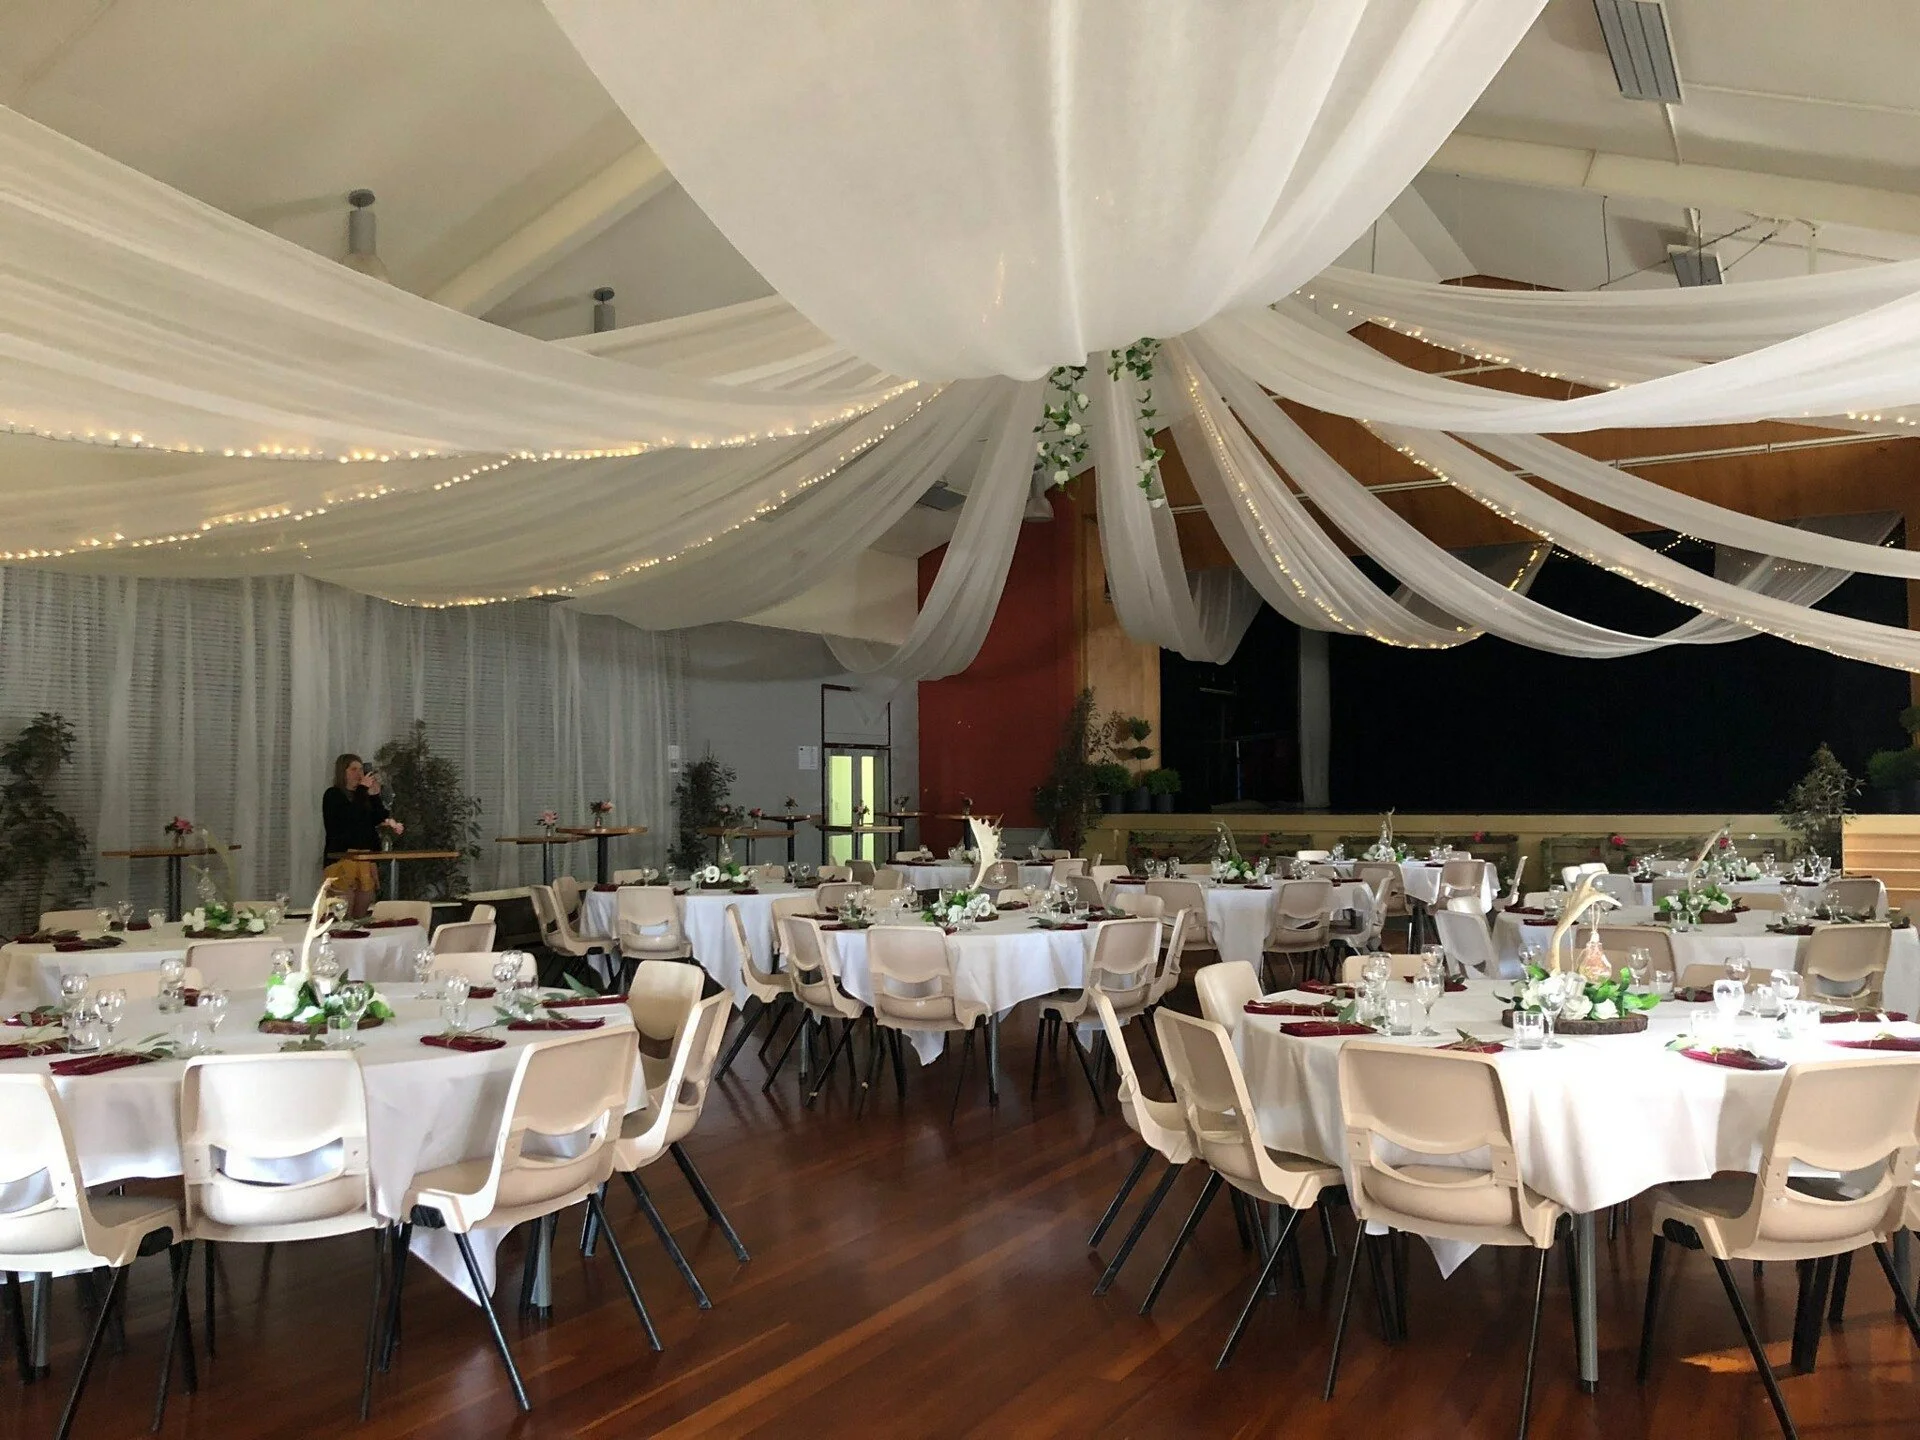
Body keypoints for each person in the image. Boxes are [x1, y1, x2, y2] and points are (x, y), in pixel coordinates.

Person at [323, 753, 387, 917]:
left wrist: (374, 796)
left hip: (365, 858)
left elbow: (379, 818)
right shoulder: (333, 794)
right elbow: (349, 818)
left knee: (361, 913)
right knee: (343, 912)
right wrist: (362, 791)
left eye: (360, 769)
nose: (359, 773)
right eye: (353, 769)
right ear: (342, 772)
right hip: (342, 858)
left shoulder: (363, 796)